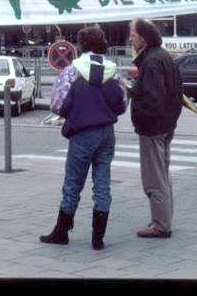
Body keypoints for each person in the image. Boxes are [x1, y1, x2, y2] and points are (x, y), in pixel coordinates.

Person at [40, 26, 127, 250]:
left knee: (73, 183)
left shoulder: (72, 71)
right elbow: (122, 104)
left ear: (81, 45)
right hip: (107, 133)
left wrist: (76, 111)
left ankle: (62, 231)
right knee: (102, 184)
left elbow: (57, 105)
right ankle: (98, 237)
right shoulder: (113, 71)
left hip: (82, 133)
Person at [127, 17, 183, 239]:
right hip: (166, 124)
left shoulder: (150, 62)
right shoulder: (164, 57)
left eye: (133, 34)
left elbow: (153, 98)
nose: (130, 38)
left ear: (144, 37)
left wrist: (135, 97)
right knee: (163, 173)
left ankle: (161, 225)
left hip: (153, 127)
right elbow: (177, 91)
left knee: (154, 177)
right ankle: (164, 219)